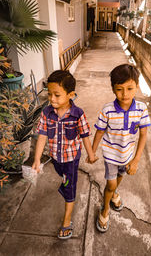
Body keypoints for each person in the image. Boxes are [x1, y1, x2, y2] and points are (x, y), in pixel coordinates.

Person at [32, 70, 98, 239]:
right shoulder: (47, 113)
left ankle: (67, 221)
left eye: (57, 95)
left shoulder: (77, 115)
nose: (52, 99)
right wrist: (37, 159)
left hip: (71, 160)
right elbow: (42, 136)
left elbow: (84, 136)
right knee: (62, 176)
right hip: (56, 159)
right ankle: (66, 181)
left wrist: (90, 154)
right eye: (49, 94)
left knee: (69, 187)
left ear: (71, 95)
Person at [92, 64, 151, 232]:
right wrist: (92, 151)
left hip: (127, 156)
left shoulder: (141, 109)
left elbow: (143, 135)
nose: (125, 94)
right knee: (110, 185)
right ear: (113, 89)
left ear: (137, 87)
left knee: (119, 177)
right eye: (119, 89)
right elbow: (99, 131)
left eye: (130, 88)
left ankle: (114, 194)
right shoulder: (108, 110)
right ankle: (105, 210)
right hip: (111, 155)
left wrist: (136, 160)